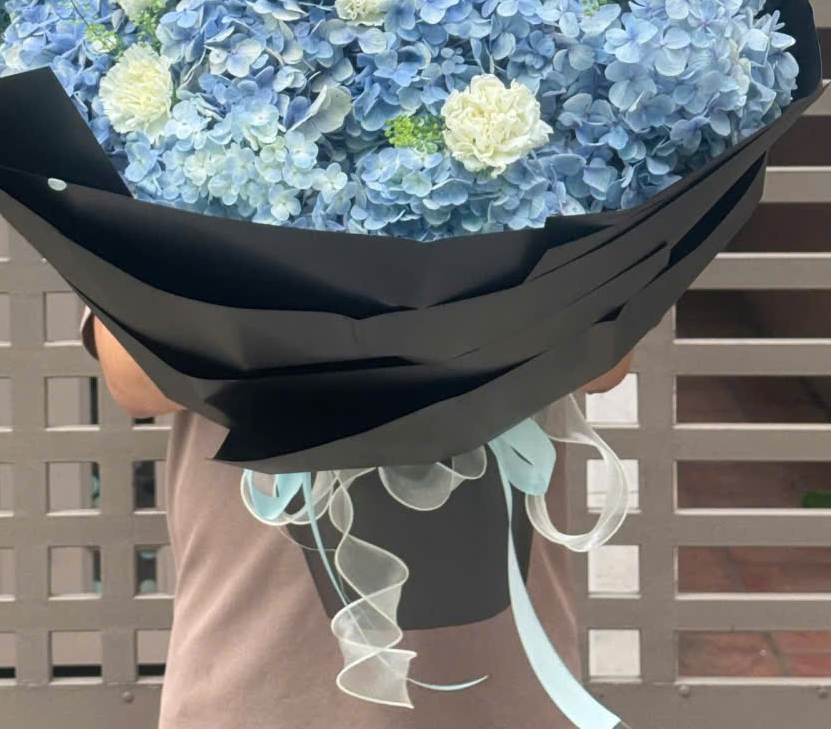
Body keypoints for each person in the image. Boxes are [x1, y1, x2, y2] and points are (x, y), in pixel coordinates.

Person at [81, 306, 634, 729]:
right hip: (258, 672)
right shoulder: (159, 178)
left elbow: (606, 360)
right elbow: (134, 377)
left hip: (499, 677)